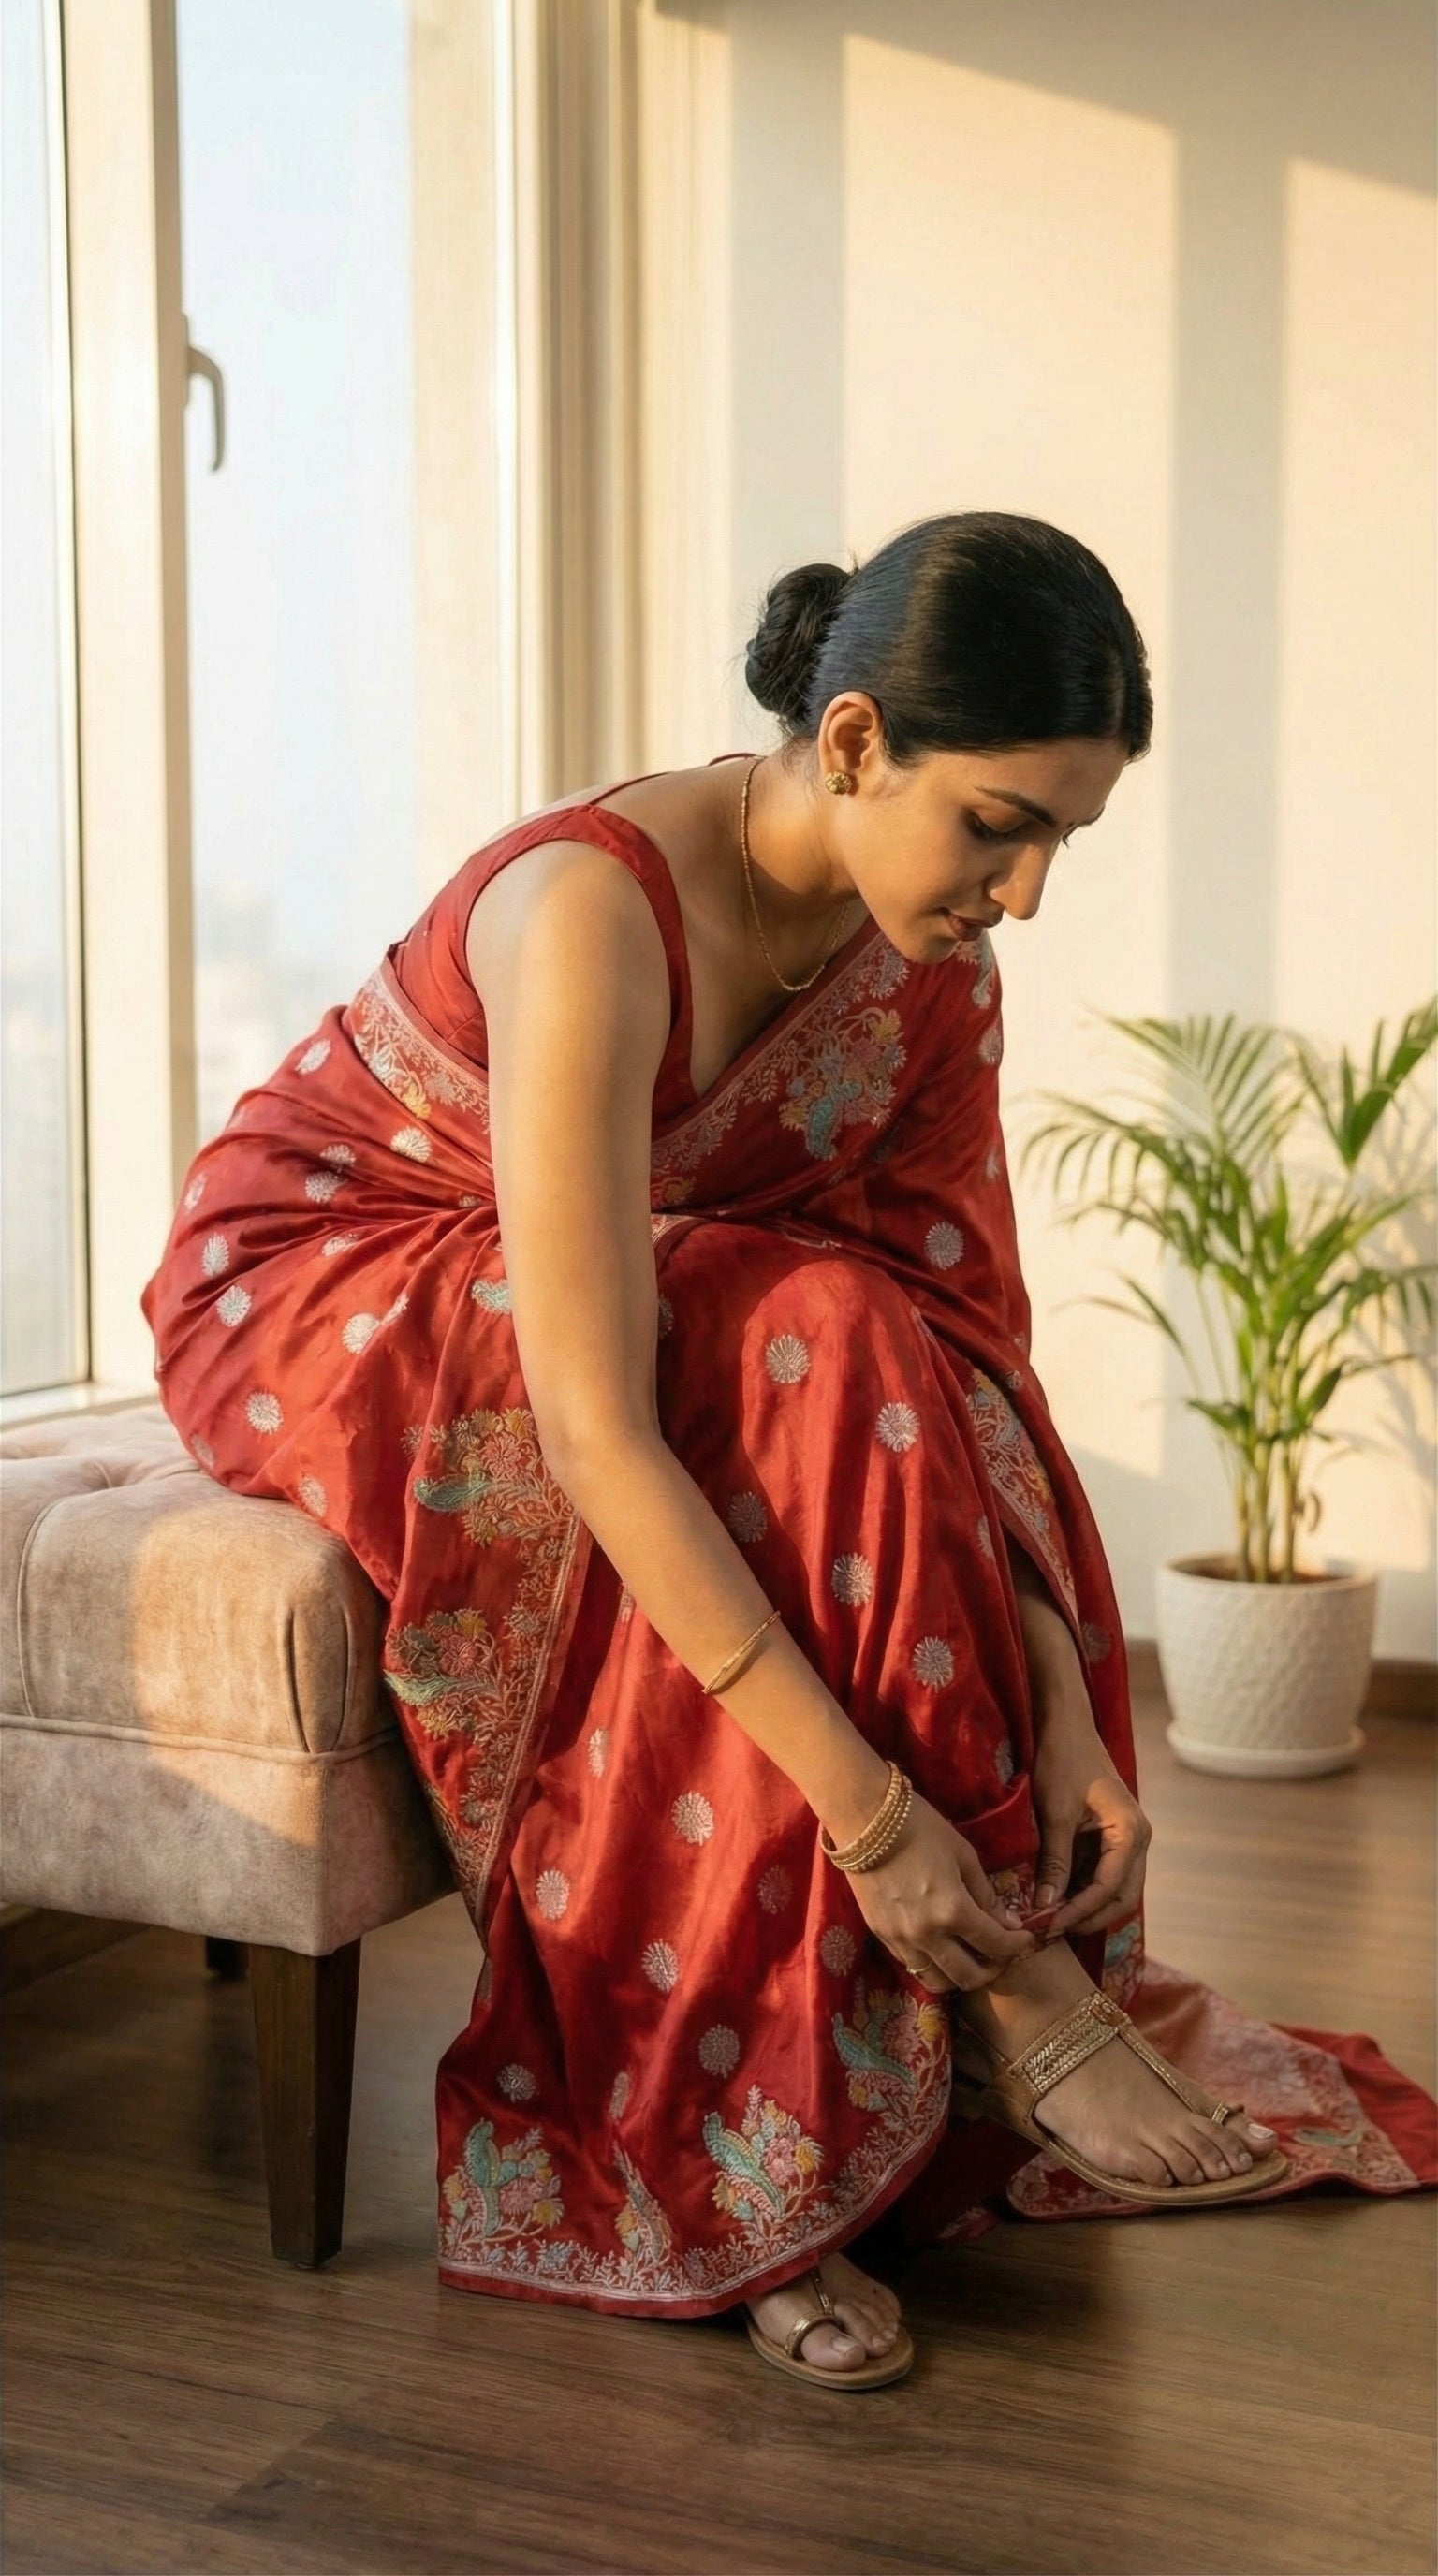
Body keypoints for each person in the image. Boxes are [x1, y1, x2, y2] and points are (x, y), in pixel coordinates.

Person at [143, 513, 1433, 2390]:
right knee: (790, 1331)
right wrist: (878, 1816)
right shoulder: (593, 911)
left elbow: (969, 1348)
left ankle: (952, 1998)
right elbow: (593, 1421)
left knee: (838, 1328)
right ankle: (854, 2065)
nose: (1028, 886)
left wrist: (1066, 1710)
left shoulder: (930, 972)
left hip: (662, 1300)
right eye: (1001, 821)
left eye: (1062, 835)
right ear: (850, 743)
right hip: (328, 1274)